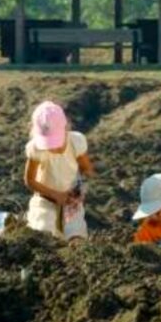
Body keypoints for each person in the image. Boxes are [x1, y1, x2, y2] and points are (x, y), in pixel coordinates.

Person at [23, 101, 95, 241]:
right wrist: (55, 195)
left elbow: (87, 170)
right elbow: (29, 180)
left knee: (76, 239)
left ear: (66, 127)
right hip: (45, 201)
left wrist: (81, 189)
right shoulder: (36, 149)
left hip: (71, 202)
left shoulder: (76, 142)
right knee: (43, 238)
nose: (53, 148)